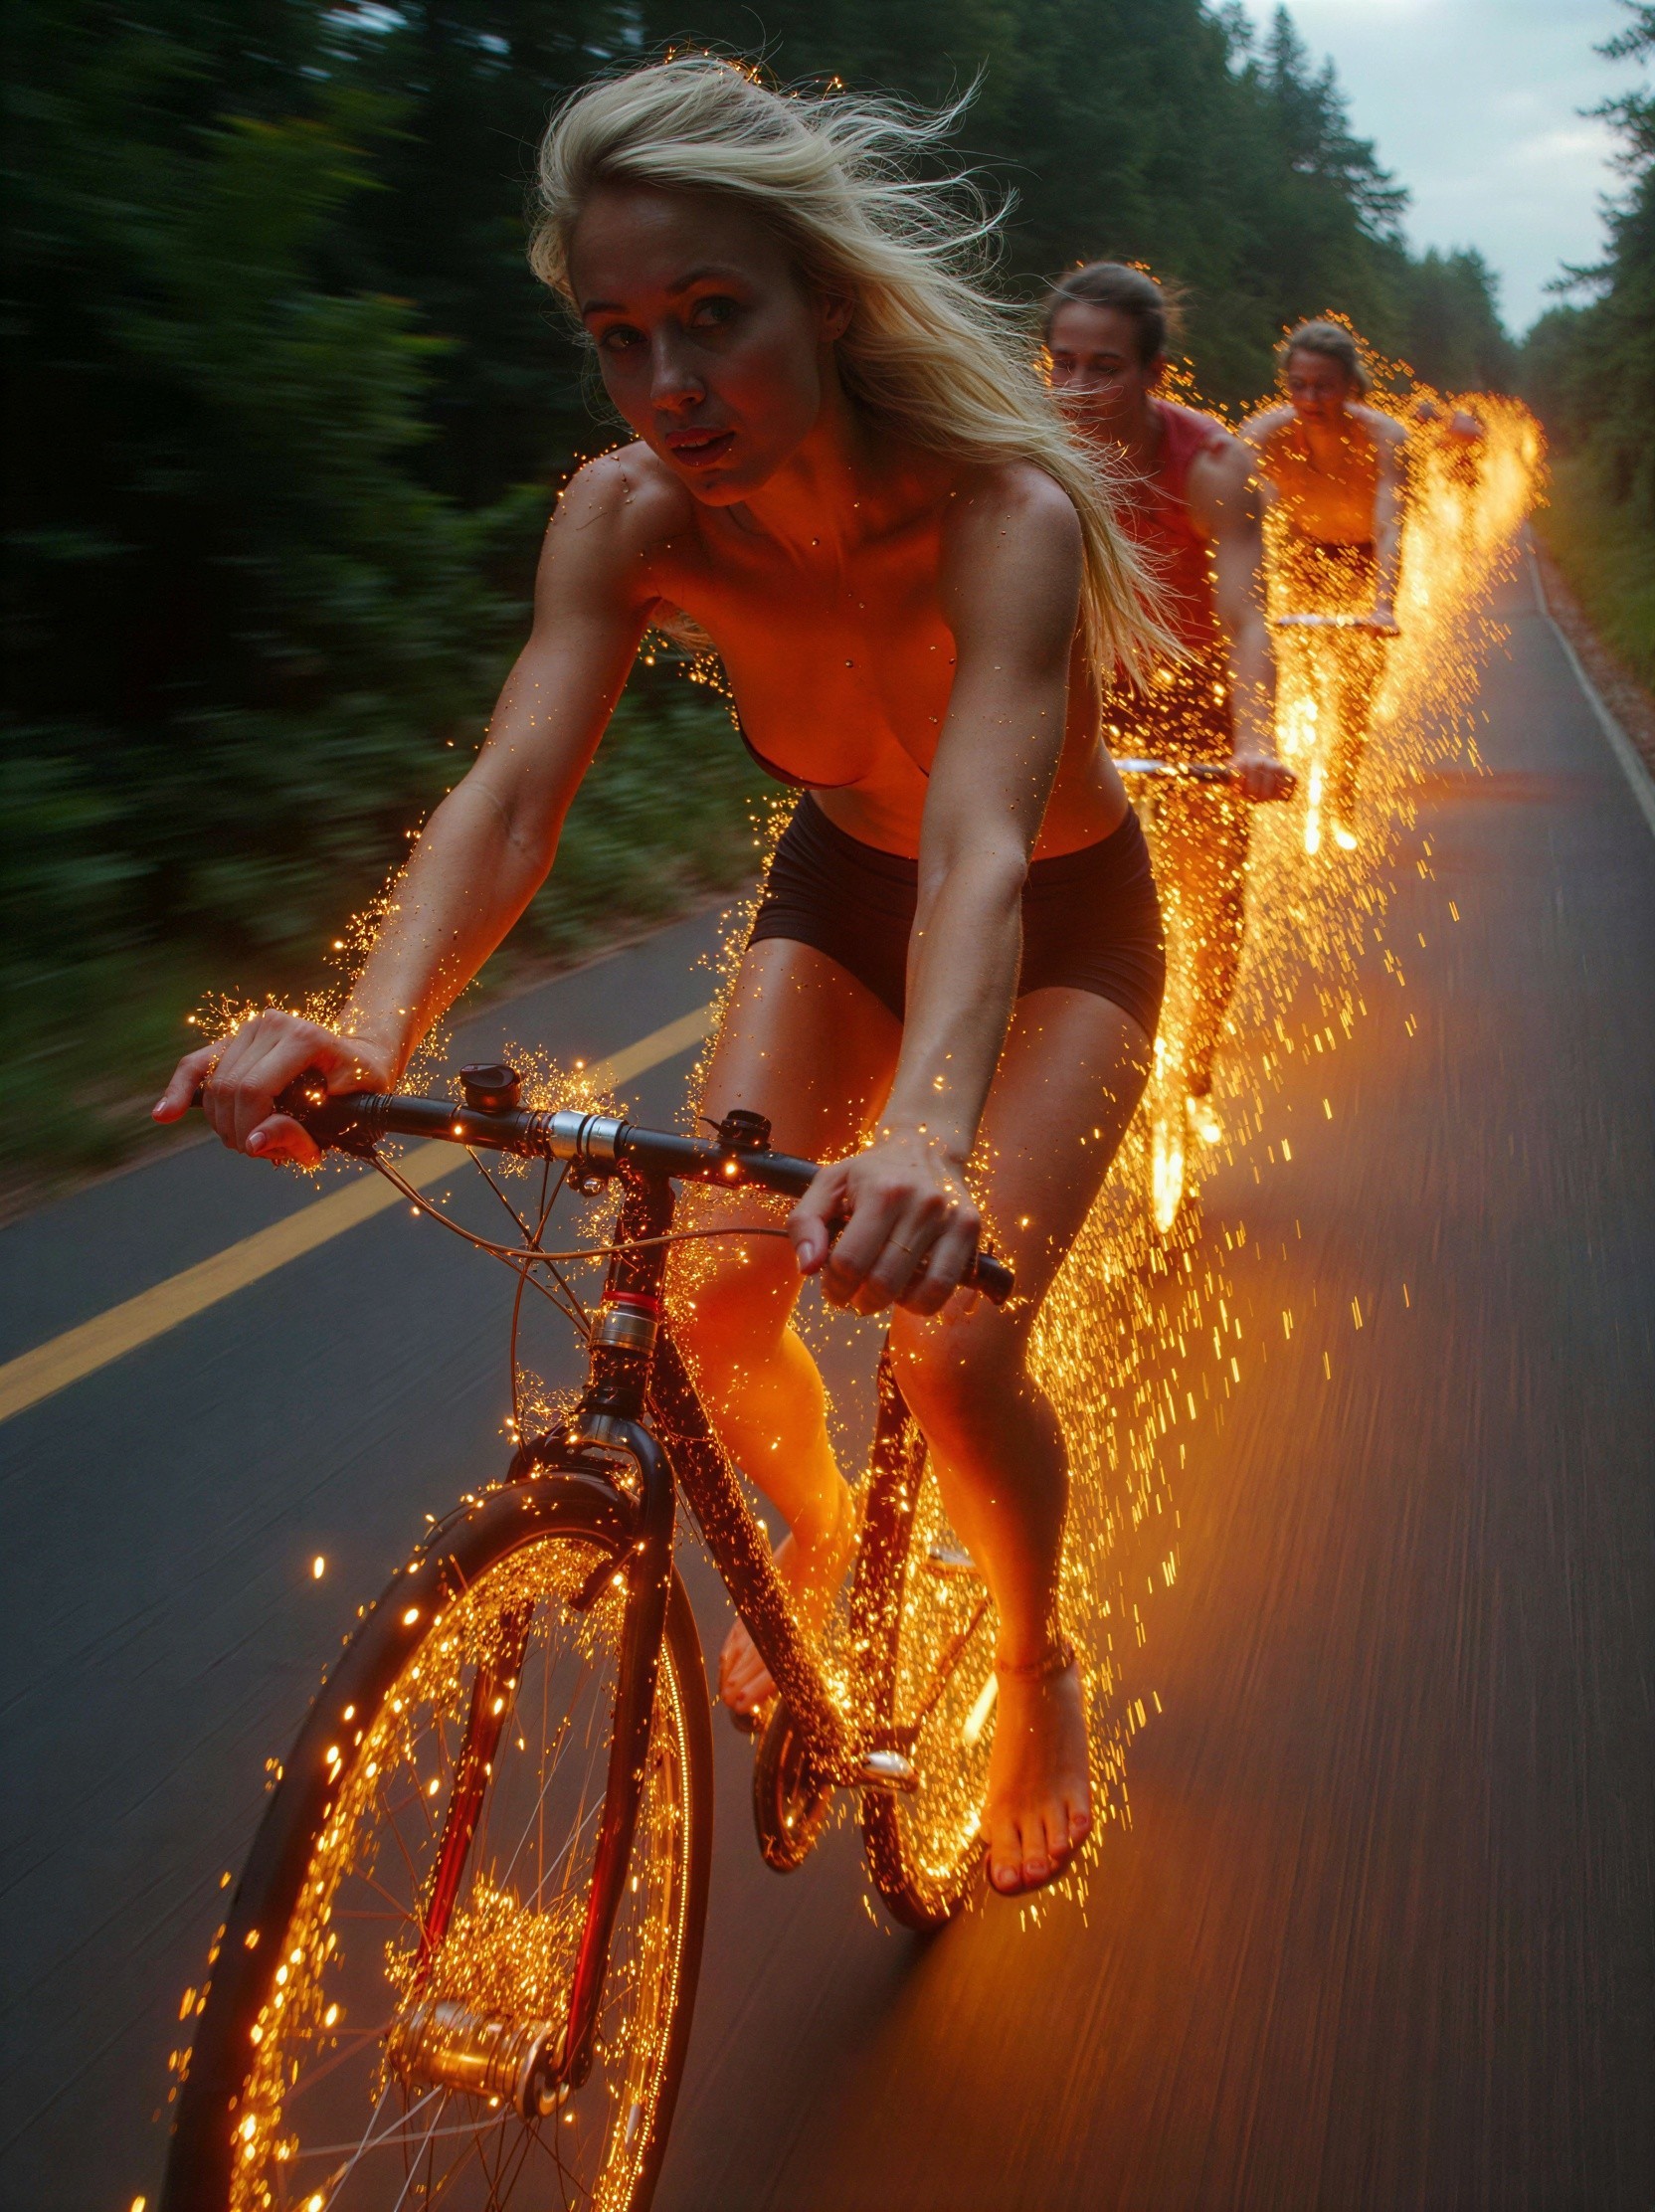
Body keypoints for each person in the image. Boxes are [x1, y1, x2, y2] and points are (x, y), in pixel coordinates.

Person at [152, 58, 1170, 1901]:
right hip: (832, 890)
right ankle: (814, 1537)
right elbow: (515, 790)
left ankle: (1031, 1662)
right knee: (709, 1308)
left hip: (1060, 922)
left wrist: (925, 1130)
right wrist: (368, 1025)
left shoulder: (997, 509)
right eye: (620, 337)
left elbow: (978, 849)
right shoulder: (630, 515)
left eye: (714, 319)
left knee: (951, 1352)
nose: (670, 387)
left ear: (827, 303)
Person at [1045, 262, 1287, 1149]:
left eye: (1102, 367)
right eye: (1061, 363)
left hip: (1190, 695)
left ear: (1153, 373)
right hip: (1073, 690)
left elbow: (1246, 617)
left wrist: (1254, 740)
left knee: (1209, 898)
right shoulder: (1022, 449)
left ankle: (1192, 1075)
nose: (1075, 388)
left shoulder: (1214, 464)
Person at [1242, 318, 1406, 848]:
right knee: (1298, 674)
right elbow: (1244, 518)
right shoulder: (1266, 434)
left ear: (1350, 385)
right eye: (1298, 385)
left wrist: (1383, 605)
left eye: (1324, 385)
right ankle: (1293, 771)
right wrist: (1244, 598)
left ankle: (1342, 790)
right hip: (1301, 553)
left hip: (1363, 556)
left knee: (1356, 691)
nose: (1310, 398)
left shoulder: (1386, 436)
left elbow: (1389, 521)